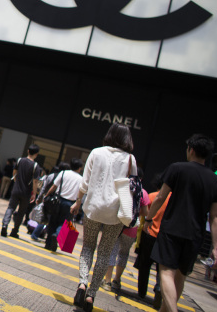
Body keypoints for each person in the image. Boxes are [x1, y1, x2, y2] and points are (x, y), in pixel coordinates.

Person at [145, 134, 217, 312]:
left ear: (191, 150)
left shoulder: (177, 168)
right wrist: (216, 247)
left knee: (166, 272)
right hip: (195, 235)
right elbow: (215, 216)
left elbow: (159, 198)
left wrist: (149, 218)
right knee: (180, 277)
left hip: (171, 229)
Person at [69, 123, 136, 312]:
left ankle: (82, 284)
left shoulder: (96, 153)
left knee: (88, 247)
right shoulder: (130, 159)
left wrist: (78, 202)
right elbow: (134, 187)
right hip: (116, 214)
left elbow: (85, 182)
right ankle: (91, 296)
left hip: (93, 209)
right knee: (105, 253)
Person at [102, 167, 150, 292]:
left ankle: (107, 281)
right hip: (132, 227)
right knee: (123, 254)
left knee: (112, 251)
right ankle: (117, 280)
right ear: (142, 178)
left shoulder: (125, 187)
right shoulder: (143, 192)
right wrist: (134, 214)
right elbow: (145, 212)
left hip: (118, 223)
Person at [136, 173, 169, 307]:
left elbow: (143, 214)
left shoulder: (151, 196)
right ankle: (159, 289)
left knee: (144, 265)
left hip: (149, 233)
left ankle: (142, 292)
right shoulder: (173, 199)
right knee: (162, 269)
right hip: (165, 238)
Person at [40, 158, 83, 251]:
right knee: (64, 223)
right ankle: (57, 235)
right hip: (70, 203)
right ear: (79, 168)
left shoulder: (63, 173)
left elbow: (54, 186)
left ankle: (48, 244)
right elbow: (81, 194)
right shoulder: (81, 179)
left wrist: (46, 196)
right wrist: (78, 205)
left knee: (52, 222)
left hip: (57, 201)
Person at [0, 144, 42, 239]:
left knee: (11, 208)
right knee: (21, 212)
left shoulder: (20, 160)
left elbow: (14, 172)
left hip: (16, 189)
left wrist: (16, 180)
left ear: (28, 151)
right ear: (36, 154)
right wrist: (34, 194)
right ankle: (14, 231)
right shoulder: (36, 166)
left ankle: (4, 225)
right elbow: (35, 182)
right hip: (26, 192)